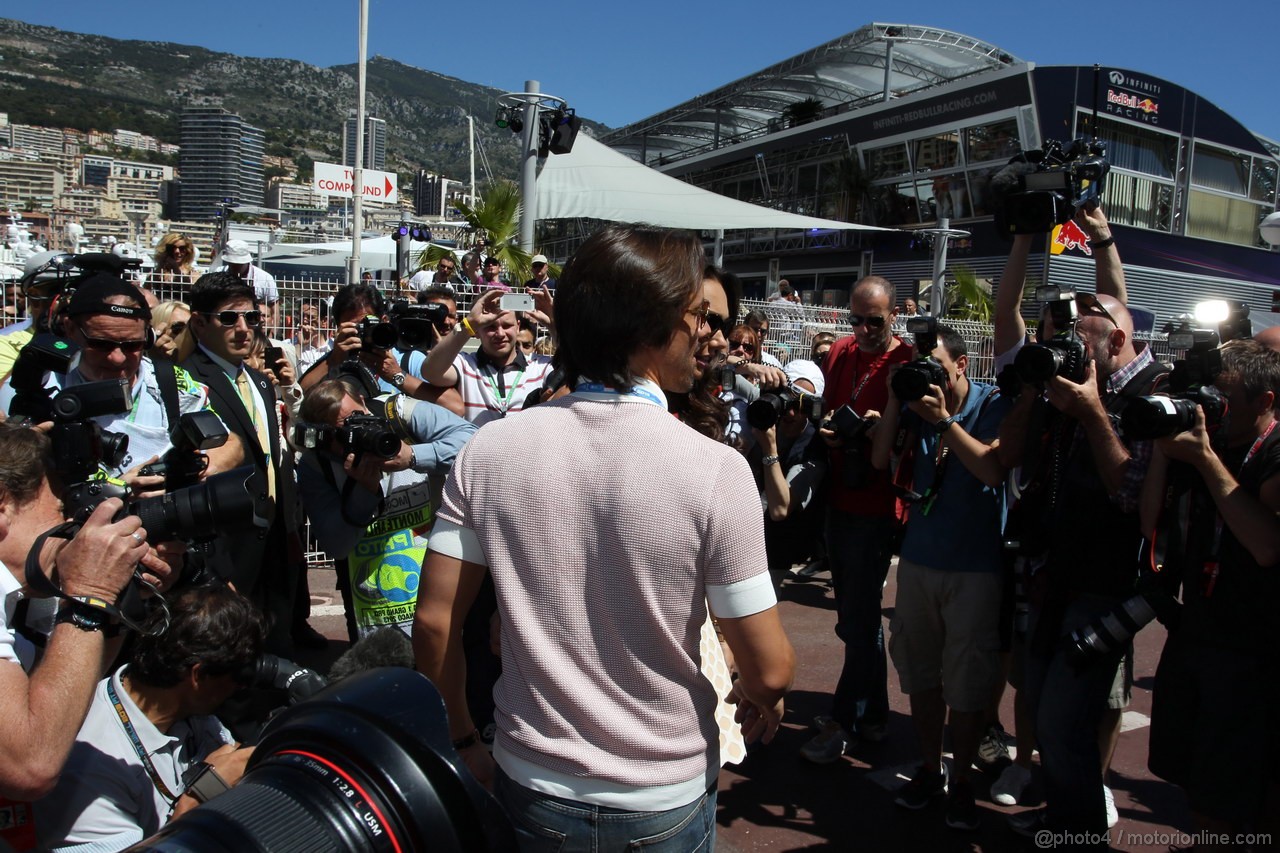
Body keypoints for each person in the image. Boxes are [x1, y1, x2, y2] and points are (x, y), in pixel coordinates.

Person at [413, 224, 794, 850]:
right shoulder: (716, 466)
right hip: (661, 789)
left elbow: (434, 624)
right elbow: (772, 669)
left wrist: (461, 737)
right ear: (653, 322)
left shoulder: (490, 448)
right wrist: (763, 697)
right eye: (695, 316)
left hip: (529, 773)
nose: (705, 333)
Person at [998, 290, 1167, 842]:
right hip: (1058, 573)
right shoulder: (1065, 390)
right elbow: (1019, 462)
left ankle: (1080, 833)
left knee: (1066, 721)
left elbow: (1129, 495)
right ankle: (1063, 818)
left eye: (1078, 343)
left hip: (1105, 586)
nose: (1065, 353)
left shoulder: (1150, 395)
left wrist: (1093, 413)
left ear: (1117, 340)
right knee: (1049, 717)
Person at [869, 323, 1011, 830]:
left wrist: (945, 421)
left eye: (934, 366)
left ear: (961, 365)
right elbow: (879, 458)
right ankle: (932, 767)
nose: (926, 377)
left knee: (968, 685)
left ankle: (966, 780)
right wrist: (894, 398)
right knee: (922, 676)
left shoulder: (994, 403)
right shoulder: (912, 404)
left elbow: (993, 470)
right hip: (920, 562)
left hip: (975, 568)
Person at [1141, 338, 1280, 845]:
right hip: (1196, 630)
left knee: (1244, 795)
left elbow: (1267, 545)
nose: (1211, 408)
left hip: (1252, 652)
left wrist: (1204, 460)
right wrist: (1163, 448)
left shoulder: (1272, 451)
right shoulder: (1208, 439)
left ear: (1265, 403)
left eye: (1225, 398)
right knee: (1196, 785)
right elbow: (1148, 518)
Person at [0, 424, 162, 806]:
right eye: (64, 511)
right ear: (2, 503)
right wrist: (91, 594)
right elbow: (31, 763)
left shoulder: (18, 596)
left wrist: (116, 602)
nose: (78, 531)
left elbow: (55, 699)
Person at [35, 584, 263, 852]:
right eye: (238, 677)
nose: (241, 688)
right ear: (198, 676)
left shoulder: (191, 714)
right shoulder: (91, 766)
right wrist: (203, 795)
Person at [802, 275, 913, 763]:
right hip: (840, 495)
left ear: (893, 317)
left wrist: (880, 428)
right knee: (858, 616)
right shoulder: (842, 351)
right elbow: (828, 410)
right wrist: (830, 431)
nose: (865, 330)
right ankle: (873, 717)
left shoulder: (906, 361)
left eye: (875, 321)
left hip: (877, 504)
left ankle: (846, 717)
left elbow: (914, 435)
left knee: (861, 616)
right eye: (856, 319)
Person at [0, 274, 242, 487]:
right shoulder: (33, 388)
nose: (117, 358)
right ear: (70, 329)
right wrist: (117, 490)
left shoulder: (170, 381)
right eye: (101, 344)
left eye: (132, 345)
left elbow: (230, 443)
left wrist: (187, 477)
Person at [298, 378, 475, 641]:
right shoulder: (317, 464)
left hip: (436, 571)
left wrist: (414, 456)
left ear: (362, 400)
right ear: (324, 439)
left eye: (357, 418)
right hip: (368, 598)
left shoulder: (399, 413)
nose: (356, 433)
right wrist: (364, 491)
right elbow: (336, 545)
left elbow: (473, 441)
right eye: (341, 433)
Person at [181, 271, 294, 654]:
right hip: (228, 539)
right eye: (229, 319)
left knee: (273, 637)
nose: (244, 329)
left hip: (273, 531)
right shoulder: (189, 381)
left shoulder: (259, 381)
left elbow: (270, 453)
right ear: (199, 323)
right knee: (229, 644)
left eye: (252, 318)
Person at [298, 284, 463, 417]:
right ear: (339, 327)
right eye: (355, 327)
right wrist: (334, 359)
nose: (363, 332)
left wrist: (397, 375)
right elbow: (298, 396)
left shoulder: (408, 359)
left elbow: (456, 407)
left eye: (368, 324)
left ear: (384, 320)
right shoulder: (335, 360)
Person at [421, 288, 555, 426]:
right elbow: (430, 372)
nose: (500, 333)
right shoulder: (465, 364)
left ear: (517, 327)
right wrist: (468, 324)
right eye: (490, 327)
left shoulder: (540, 366)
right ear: (476, 332)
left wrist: (554, 325)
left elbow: (575, 371)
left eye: (507, 325)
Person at [751, 359, 828, 581]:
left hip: (772, 551)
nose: (791, 414)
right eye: (786, 402)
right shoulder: (758, 413)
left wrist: (769, 449)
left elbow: (780, 509)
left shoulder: (813, 445)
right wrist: (750, 366)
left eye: (802, 407)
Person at [216, 240, 280, 331]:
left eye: (239, 264)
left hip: (255, 328)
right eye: (232, 263)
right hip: (225, 326)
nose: (235, 266)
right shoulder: (218, 274)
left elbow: (275, 310)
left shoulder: (265, 278)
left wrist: (272, 335)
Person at [293, 300, 333, 377]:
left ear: (324, 321)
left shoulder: (332, 347)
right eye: (301, 316)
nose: (304, 321)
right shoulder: (289, 344)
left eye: (310, 317)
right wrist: (299, 345)